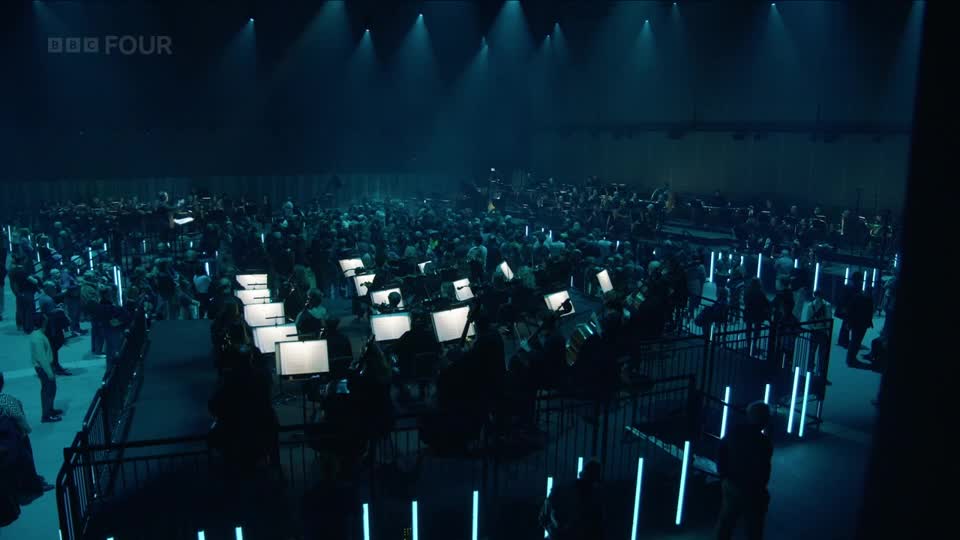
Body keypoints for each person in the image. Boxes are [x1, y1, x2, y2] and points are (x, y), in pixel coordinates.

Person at [716, 401, 773, 540]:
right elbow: (764, 469)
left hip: (731, 482)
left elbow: (721, 450)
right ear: (765, 420)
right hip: (752, 489)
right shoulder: (764, 442)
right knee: (754, 527)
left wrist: (723, 474)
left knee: (726, 522)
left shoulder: (735, 431)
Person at [0, 372, 55, 498]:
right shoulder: (6, 400)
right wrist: (26, 430)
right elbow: (19, 417)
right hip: (11, 440)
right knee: (26, 461)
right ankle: (34, 486)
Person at [540, 458, 605, 540]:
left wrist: (554, 532)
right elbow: (598, 528)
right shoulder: (595, 499)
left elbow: (543, 517)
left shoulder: (561, 490)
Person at [29, 314, 61, 423]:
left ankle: (50, 410)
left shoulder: (38, 335)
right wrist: (49, 372)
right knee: (47, 391)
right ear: (42, 322)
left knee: (51, 389)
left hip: (44, 366)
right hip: (44, 368)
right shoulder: (38, 338)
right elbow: (42, 358)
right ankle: (46, 415)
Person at [801, 290, 834, 383]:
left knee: (818, 353)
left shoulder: (812, 305)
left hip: (817, 332)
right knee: (819, 354)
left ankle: (813, 372)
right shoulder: (826, 305)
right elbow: (829, 319)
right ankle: (817, 373)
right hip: (820, 331)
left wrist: (813, 328)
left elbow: (809, 319)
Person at [742, 278, 770, 353]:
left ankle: (748, 344)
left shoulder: (748, 291)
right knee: (757, 329)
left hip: (749, 312)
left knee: (748, 329)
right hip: (758, 314)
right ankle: (754, 344)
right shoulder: (761, 293)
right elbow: (766, 303)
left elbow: (745, 301)